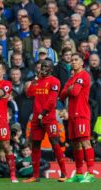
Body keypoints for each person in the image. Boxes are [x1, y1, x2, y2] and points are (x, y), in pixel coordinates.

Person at [23, 58, 67, 183]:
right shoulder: (38, 80)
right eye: (42, 66)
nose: (43, 68)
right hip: (37, 118)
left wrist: (42, 114)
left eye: (46, 66)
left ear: (51, 69)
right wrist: (36, 79)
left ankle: (64, 173)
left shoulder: (54, 81)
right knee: (35, 144)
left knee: (55, 142)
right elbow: (29, 93)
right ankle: (35, 176)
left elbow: (52, 100)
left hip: (49, 117)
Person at [60, 53, 95, 183]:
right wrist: (69, 88)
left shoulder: (83, 75)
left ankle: (90, 173)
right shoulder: (72, 78)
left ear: (81, 63)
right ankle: (79, 173)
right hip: (72, 116)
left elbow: (74, 92)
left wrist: (69, 88)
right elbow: (62, 95)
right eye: (72, 60)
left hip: (81, 114)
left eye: (76, 60)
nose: (73, 62)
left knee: (85, 142)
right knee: (75, 144)